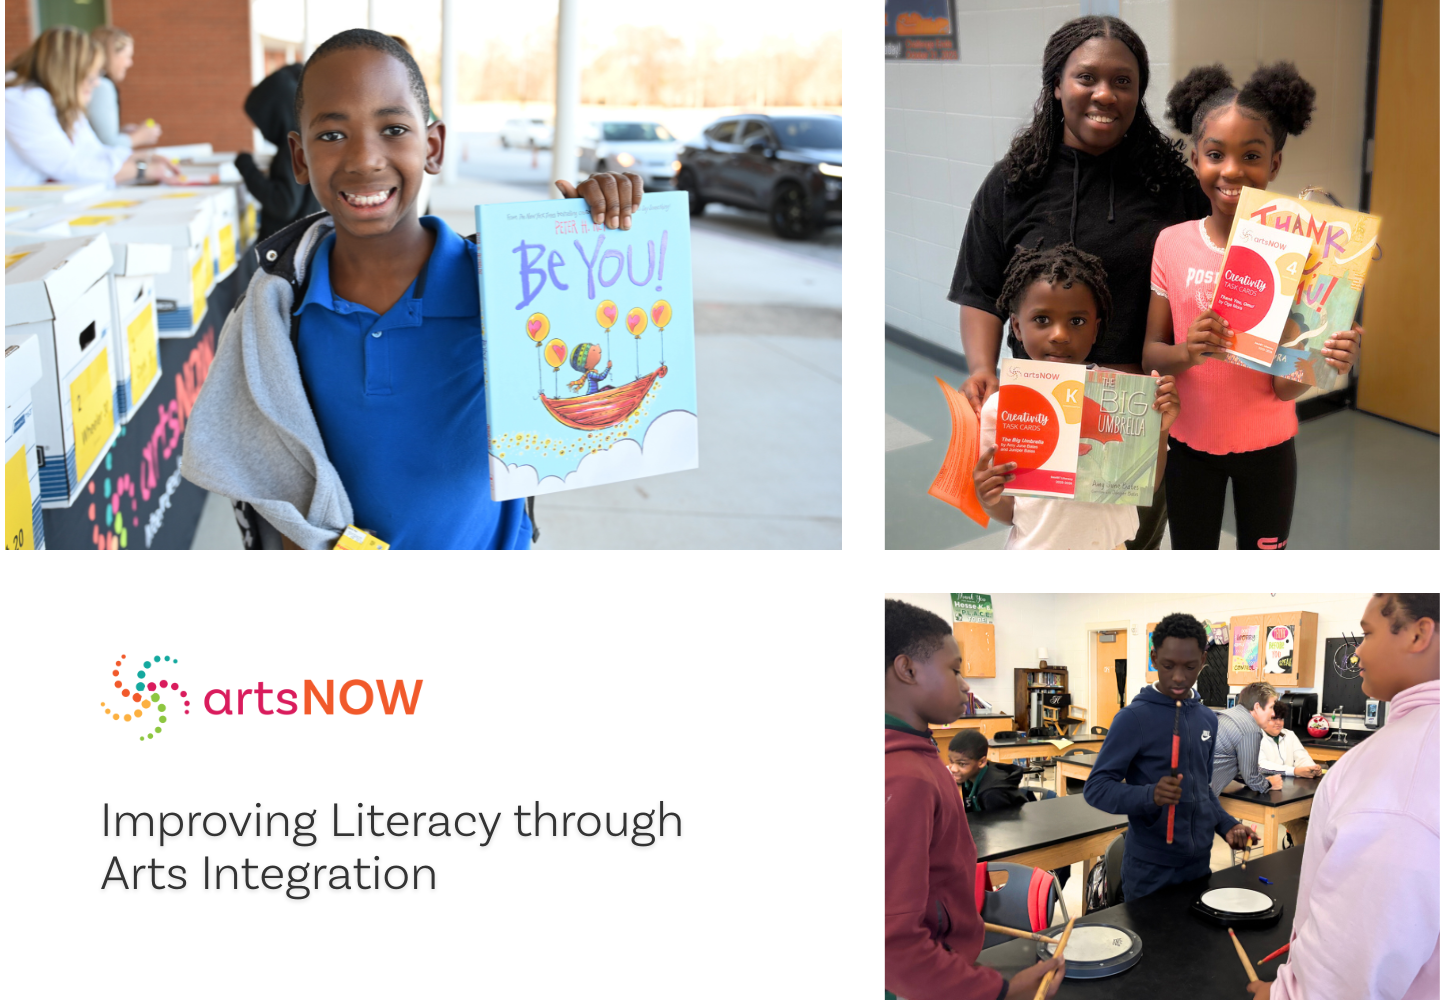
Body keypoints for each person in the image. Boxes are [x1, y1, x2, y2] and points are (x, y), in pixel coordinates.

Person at [180, 29, 642, 549]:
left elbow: (594, 370)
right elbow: (275, 481)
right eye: (332, 135)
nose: (364, 158)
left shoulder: (507, 289)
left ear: (433, 146)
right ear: (300, 157)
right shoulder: (281, 314)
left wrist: (596, 232)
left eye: (394, 128)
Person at [949, 14, 1211, 548]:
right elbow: (980, 289)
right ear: (1056, 85)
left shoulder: (1171, 185)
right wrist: (981, 367)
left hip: (1131, 412)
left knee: (1122, 549)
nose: (1104, 94)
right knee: (1042, 540)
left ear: (1139, 92)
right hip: (1040, 408)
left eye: (1123, 81)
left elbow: (1217, 259)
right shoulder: (1011, 182)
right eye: (1086, 77)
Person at [1142, 64, 1361, 550]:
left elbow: (1284, 389)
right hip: (1188, 445)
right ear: (1195, 158)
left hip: (1269, 450)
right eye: (1215, 154)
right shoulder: (1172, 244)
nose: (1232, 170)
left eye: (1252, 155)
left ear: (1274, 165)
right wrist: (1187, 353)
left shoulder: (1300, 256)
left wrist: (1322, 358)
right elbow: (1151, 355)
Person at [1248, 594, 1438, 1000]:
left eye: (1367, 634)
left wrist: (1286, 995)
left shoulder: (1403, 769)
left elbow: (1352, 966)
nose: (1358, 652)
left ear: (1418, 634)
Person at [885, 599, 1063, 1000]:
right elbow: (892, 944)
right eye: (954, 670)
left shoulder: (914, 757)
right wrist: (1001, 992)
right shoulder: (903, 777)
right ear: (907, 669)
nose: (966, 685)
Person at [971, 243, 1179, 549]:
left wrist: (1159, 431)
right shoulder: (1001, 409)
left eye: (1077, 321)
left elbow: (1145, 484)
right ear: (1016, 326)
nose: (1059, 335)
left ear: (1095, 330)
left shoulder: (1125, 397)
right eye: (1042, 319)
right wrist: (988, 498)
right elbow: (1010, 512)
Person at [1082, 612, 1256, 900]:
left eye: (1189, 666)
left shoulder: (1208, 719)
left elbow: (1202, 789)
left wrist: (1227, 824)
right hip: (1150, 871)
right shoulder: (1132, 718)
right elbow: (1096, 788)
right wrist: (1150, 795)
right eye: (1168, 665)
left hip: (1198, 866)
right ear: (1154, 658)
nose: (1178, 676)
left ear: (1203, 660)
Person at [5, 26, 178, 187]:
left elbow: (93, 152)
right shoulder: (19, 99)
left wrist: (145, 158)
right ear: (67, 73)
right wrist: (142, 169)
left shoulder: (61, 102)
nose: (96, 83)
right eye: (91, 75)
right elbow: (69, 168)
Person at [233, 63, 322, 241]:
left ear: (276, 115)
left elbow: (284, 204)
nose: (262, 131)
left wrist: (246, 167)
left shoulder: (293, 147)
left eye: (262, 123)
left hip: (285, 247)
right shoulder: (307, 141)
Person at [1211, 682, 1286, 811]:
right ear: (1257, 707)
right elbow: (1252, 779)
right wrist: (1269, 784)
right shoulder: (1250, 729)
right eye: (1271, 707)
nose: (1273, 714)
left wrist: (1259, 779)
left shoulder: (1226, 715)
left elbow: (1239, 767)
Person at [86, 26, 162, 149]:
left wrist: (121, 133)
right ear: (110, 55)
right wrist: (140, 136)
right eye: (127, 56)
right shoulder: (102, 86)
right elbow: (108, 145)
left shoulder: (99, 84)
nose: (130, 63)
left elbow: (96, 136)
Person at [1258, 710, 1321, 846]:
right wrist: (1295, 771)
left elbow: (1301, 756)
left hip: (1292, 792)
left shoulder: (1289, 735)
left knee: (1323, 816)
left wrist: (1312, 768)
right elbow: (1262, 766)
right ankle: (1304, 858)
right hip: (1269, 794)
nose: (1279, 723)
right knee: (1297, 824)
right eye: (1274, 719)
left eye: (1281, 719)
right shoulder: (1256, 736)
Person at [947, 729, 1032, 813]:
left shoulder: (992, 793)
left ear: (981, 762)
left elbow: (1001, 821)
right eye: (951, 761)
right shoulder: (967, 777)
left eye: (962, 764)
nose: (953, 769)